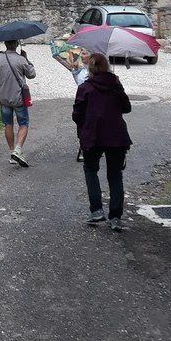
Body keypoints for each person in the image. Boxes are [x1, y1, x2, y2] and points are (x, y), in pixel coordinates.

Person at [72, 52, 132, 231]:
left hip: (93, 135)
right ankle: (116, 217)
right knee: (115, 174)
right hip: (116, 135)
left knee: (90, 169)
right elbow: (126, 108)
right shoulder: (115, 85)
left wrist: (86, 125)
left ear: (90, 68)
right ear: (106, 67)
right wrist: (117, 87)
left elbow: (77, 114)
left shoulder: (85, 88)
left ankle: (97, 210)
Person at [0, 39, 36, 167]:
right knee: (23, 123)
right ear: (17, 44)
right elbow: (32, 74)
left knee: (8, 124)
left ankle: (12, 152)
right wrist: (26, 59)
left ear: (5, 44)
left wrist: (0, 84)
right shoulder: (21, 59)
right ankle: (17, 150)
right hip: (19, 99)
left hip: (4, 98)